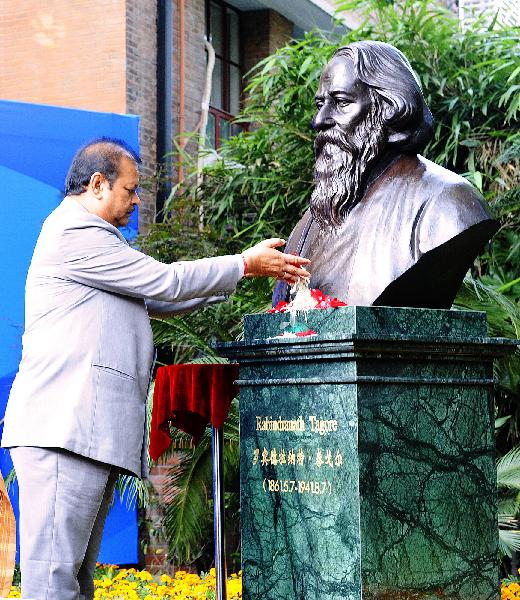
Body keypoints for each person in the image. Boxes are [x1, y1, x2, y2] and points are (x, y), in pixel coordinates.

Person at [1, 138, 310, 600]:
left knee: (75, 580)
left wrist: (244, 271)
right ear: (98, 184)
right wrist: (244, 264)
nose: (137, 199)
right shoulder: (74, 232)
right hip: (63, 431)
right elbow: (163, 280)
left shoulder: (94, 239)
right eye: (131, 189)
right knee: (54, 582)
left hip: (80, 433)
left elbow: (161, 297)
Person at [273, 41, 498, 309]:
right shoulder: (310, 223)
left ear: (390, 108)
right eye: (320, 104)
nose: (319, 120)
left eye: (341, 102)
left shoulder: (448, 203)